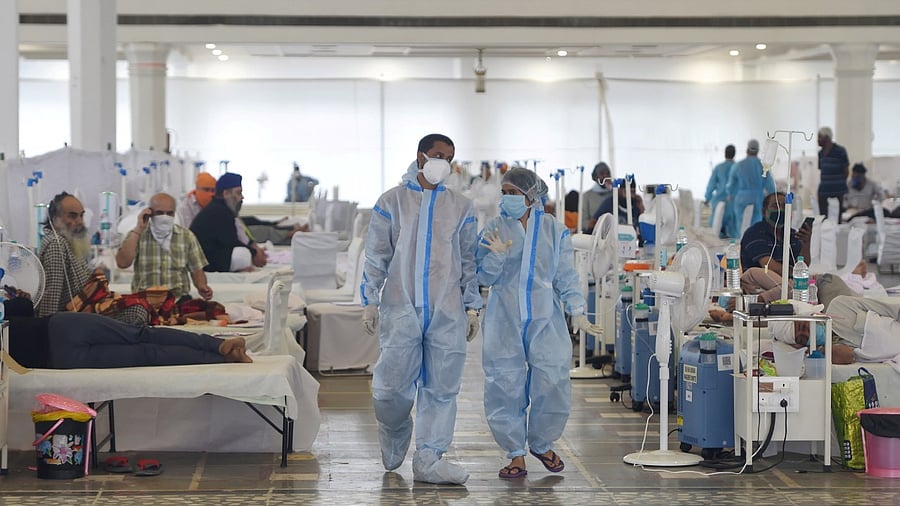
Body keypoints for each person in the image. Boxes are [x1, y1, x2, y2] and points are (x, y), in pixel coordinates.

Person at [360, 133, 482, 485]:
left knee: (442, 389)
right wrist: (369, 300)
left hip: (447, 310)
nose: (443, 161)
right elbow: (376, 256)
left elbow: (469, 260)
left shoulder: (461, 207)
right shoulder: (391, 202)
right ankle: (394, 427)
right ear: (420, 156)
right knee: (390, 389)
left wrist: (472, 306)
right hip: (401, 308)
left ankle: (429, 459)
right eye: (438, 154)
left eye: (449, 157)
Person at [475, 168, 601, 480]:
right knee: (504, 384)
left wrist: (577, 310)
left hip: (546, 316)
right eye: (504, 192)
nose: (508, 198)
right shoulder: (493, 228)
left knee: (553, 381)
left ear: (531, 196)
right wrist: (495, 258)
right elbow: (482, 277)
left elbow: (565, 275)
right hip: (504, 316)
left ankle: (542, 443)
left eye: (514, 193)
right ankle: (515, 454)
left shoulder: (554, 231)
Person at [4, 297, 250, 369]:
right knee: (144, 335)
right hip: (59, 326)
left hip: (58, 359)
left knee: (146, 355)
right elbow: (24, 306)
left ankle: (221, 357)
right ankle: (217, 346)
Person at [36, 192, 148, 325]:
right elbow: (51, 296)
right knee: (136, 311)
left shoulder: (69, 242)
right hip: (75, 320)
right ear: (55, 219)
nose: (79, 221)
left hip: (89, 310)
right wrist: (47, 331)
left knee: (140, 304)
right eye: (72, 216)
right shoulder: (56, 244)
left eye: (81, 215)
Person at [115, 192, 212, 300]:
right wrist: (138, 229)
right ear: (150, 213)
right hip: (145, 301)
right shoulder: (138, 235)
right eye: (160, 213)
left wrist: (202, 286)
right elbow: (122, 263)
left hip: (177, 299)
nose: (165, 217)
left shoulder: (186, 237)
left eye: (169, 213)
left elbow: (197, 270)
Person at [769, 297, 900, 365]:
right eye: (803, 338)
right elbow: (847, 356)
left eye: (804, 326)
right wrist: (816, 350)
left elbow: (890, 309)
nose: (808, 333)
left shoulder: (840, 306)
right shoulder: (832, 350)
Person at [739, 191, 811, 302]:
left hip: (785, 281)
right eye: (775, 206)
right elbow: (769, 266)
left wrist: (806, 242)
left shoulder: (791, 234)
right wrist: (795, 274)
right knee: (792, 288)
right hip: (759, 281)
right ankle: (752, 302)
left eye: (784, 206)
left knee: (826, 281)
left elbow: (803, 265)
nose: (780, 210)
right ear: (764, 212)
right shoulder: (754, 233)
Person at [190, 172, 267, 272]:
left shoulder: (222, 209)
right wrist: (254, 254)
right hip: (204, 263)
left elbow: (238, 237)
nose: (241, 197)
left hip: (208, 258)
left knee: (244, 252)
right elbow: (231, 242)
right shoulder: (218, 212)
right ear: (226, 194)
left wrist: (254, 250)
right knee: (243, 254)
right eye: (238, 193)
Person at [726, 139, 775, 238]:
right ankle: (754, 243)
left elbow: (731, 184)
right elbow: (770, 185)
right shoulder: (763, 166)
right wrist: (774, 198)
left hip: (741, 199)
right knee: (756, 225)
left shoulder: (738, 165)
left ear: (747, 150)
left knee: (741, 224)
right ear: (758, 151)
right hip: (758, 199)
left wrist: (730, 194)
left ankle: (741, 243)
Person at [817, 126, 850, 221]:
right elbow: (821, 170)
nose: (817, 140)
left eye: (819, 137)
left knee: (837, 217)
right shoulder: (820, 153)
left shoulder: (840, 151)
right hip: (824, 190)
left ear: (826, 137)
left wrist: (838, 182)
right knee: (823, 217)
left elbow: (846, 171)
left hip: (838, 190)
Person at [704, 144, 735, 236]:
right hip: (733, 202)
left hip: (719, 200)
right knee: (733, 229)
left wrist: (707, 198)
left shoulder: (719, 168)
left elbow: (711, 184)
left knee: (716, 225)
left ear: (725, 154)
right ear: (734, 154)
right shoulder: (738, 167)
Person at [469, 161, 501, 230]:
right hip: (479, 217)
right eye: (483, 170)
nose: (486, 172)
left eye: (487, 170)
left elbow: (489, 203)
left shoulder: (493, 185)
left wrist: (476, 202)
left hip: (491, 216)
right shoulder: (478, 183)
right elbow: (473, 197)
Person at [581, 162, 613, 233]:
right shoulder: (587, 196)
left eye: (608, 173)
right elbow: (582, 222)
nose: (605, 176)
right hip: (593, 233)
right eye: (602, 174)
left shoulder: (614, 194)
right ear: (595, 177)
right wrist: (595, 224)